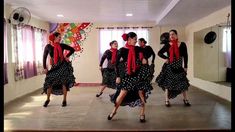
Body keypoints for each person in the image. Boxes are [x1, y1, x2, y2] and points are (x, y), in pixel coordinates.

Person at [108, 32, 153, 123]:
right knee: (122, 94)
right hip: (128, 75)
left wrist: (144, 58)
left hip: (139, 75)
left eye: (136, 39)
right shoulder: (122, 50)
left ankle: (142, 114)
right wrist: (118, 76)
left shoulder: (137, 48)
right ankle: (114, 111)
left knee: (141, 94)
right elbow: (116, 64)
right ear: (129, 40)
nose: (136, 40)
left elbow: (147, 52)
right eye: (135, 39)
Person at [155, 29, 190, 107]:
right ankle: (167, 100)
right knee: (168, 84)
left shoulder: (182, 44)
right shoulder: (168, 45)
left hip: (179, 66)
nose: (171, 36)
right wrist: (166, 58)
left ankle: (185, 99)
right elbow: (159, 53)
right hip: (170, 67)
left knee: (183, 83)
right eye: (170, 35)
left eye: (173, 34)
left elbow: (185, 56)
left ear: (176, 35)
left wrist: (186, 66)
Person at [42, 32, 76, 107]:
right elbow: (44, 57)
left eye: (60, 37)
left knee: (64, 82)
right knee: (49, 81)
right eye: (59, 37)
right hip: (54, 66)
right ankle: (47, 99)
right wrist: (44, 67)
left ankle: (64, 100)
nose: (60, 38)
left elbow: (72, 49)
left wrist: (67, 56)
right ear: (54, 37)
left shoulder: (62, 45)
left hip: (63, 65)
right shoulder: (48, 46)